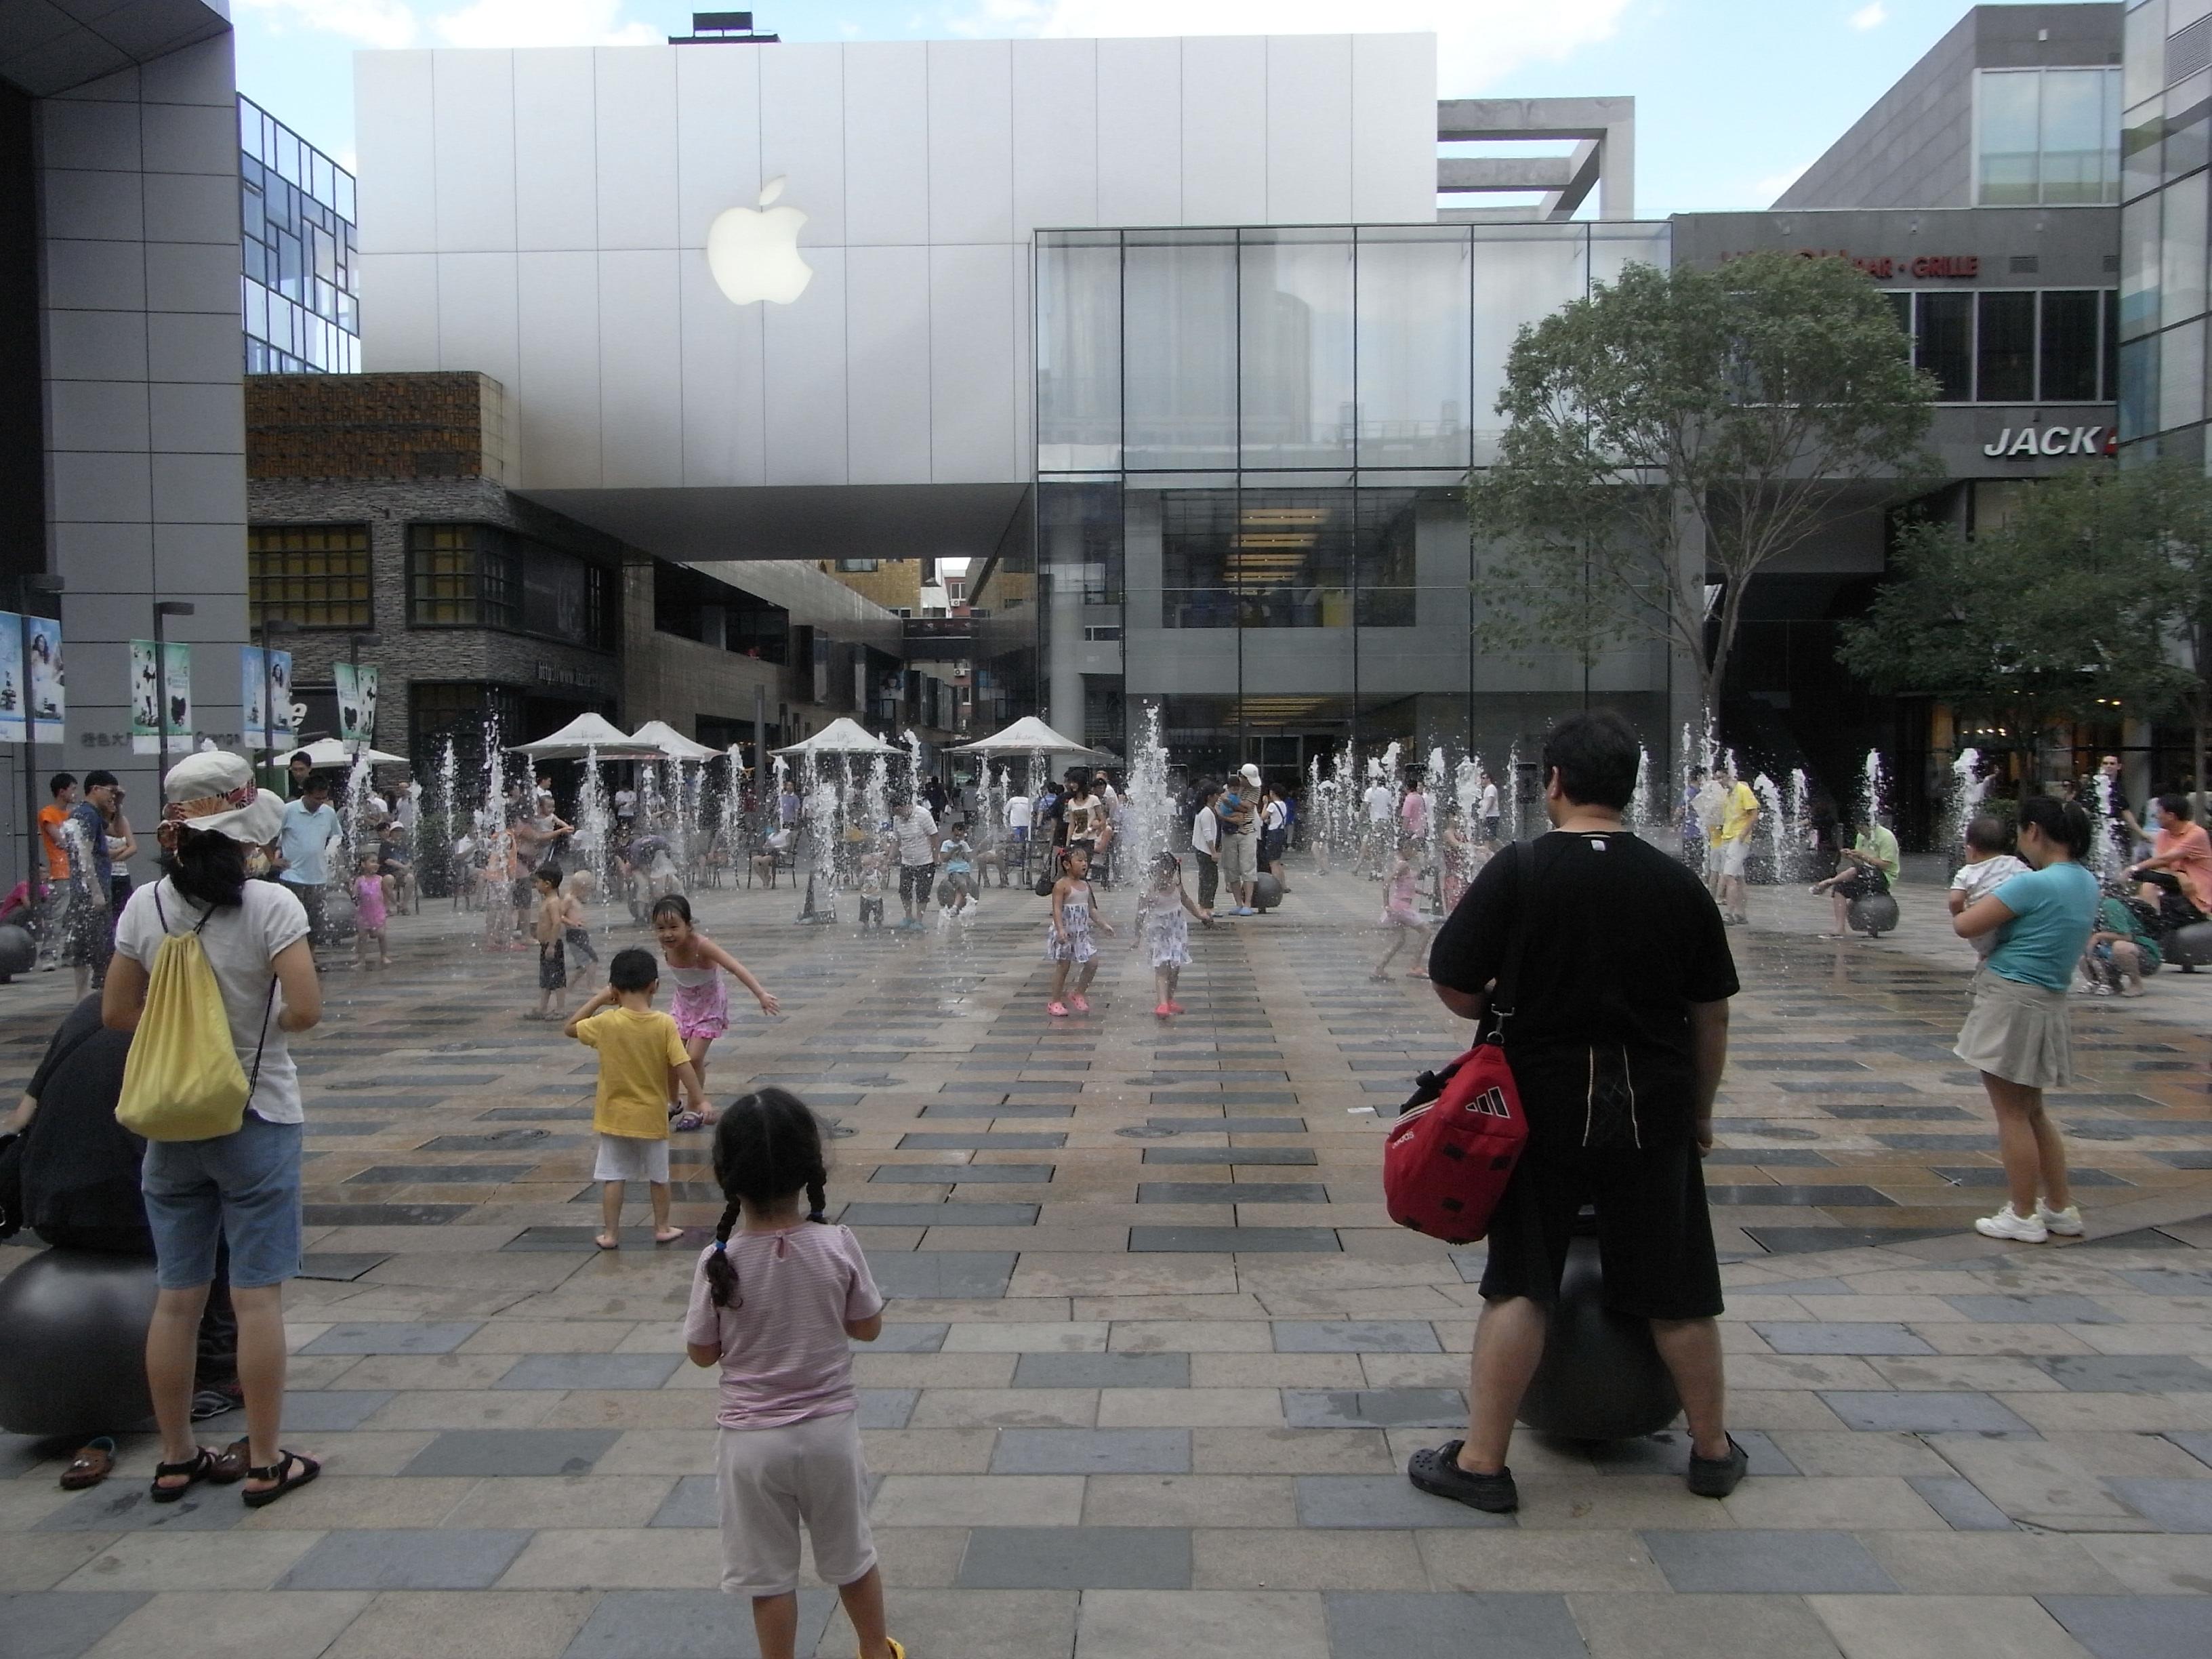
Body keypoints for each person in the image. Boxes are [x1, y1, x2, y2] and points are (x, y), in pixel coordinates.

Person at [1411, 709, 1745, 1513]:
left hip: (1539, 1104)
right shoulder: (1675, 881)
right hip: (1651, 1106)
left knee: (1521, 1279)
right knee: (1676, 1284)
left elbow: (1455, 983)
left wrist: (1510, 999)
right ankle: (1710, 1449)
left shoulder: (1520, 870)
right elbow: (1712, 1014)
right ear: (1631, 788)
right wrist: (1699, 1112)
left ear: (1553, 784)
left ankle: (1483, 1463)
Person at [104, 751, 323, 1508]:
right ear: (241, 829)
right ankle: (265, 1461)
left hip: (171, 1122)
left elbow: (117, 1015)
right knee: (257, 1299)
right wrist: (258, 1027)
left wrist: (185, 1040)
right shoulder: (270, 907)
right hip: (257, 1113)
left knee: (177, 1300)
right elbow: (305, 1007)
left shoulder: (143, 909)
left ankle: (174, 1457)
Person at [684, 1090, 902, 1659]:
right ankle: (876, 1650)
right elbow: (868, 1327)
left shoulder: (719, 1261)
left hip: (752, 1444)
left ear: (725, 1173)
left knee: (770, 1577)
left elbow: (703, 1352)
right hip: (830, 1434)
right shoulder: (837, 1244)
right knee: (852, 1555)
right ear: (812, 1166)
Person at [1, 995, 241, 1431]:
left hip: (51, 1208)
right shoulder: (194, 1010)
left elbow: (21, 1117)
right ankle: (220, 1370)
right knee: (226, 1203)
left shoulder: (90, 1010)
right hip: (131, 1212)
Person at [1951, 796, 2100, 1243]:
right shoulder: (2084, 880)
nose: (2018, 842)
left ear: (2035, 831)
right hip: (2048, 996)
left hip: (2012, 998)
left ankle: (2022, 1213)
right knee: (2033, 1111)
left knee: (2011, 1114)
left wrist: (1967, 896)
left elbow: (1966, 925)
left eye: (2021, 832)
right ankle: (2059, 1206)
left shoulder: (2035, 884)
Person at [565, 947, 707, 1249]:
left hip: (613, 1117)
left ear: (614, 989)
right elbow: (683, 1066)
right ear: (654, 985)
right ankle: (663, 1227)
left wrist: (600, 999)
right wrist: (700, 1100)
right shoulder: (664, 1024)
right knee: (659, 1178)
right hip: (651, 1116)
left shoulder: (605, 1023)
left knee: (614, 1177)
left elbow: (570, 1028)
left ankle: (611, 1234)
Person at [652, 893, 780, 1130]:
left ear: (688, 926)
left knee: (693, 1058)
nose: (667, 934)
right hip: (682, 1005)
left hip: (709, 1006)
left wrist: (760, 994)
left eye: (673, 927)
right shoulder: (666, 947)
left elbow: (735, 967)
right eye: (660, 928)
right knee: (670, 1055)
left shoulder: (702, 946)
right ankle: (673, 1101)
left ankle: (694, 1108)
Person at [60, 772, 117, 996]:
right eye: (110, 790)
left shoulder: (91, 814)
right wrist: (96, 892)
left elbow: (113, 828)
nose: (113, 795)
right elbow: (84, 855)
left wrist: (116, 801)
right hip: (91, 892)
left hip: (87, 890)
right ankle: (90, 996)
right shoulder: (87, 815)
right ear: (96, 789)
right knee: (96, 945)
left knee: (88, 944)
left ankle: (85, 996)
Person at [1135, 851, 1207, 1017]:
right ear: (1153, 873)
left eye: (1168, 872)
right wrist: (1137, 937)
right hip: (1159, 934)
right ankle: (1162, 1003)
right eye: (1159, 872)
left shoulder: (1177, 886)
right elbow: (1140, 915)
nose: (1164, 877)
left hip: (1176, 932)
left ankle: (1170, 998)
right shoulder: (1149, 893)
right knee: (1162, 967)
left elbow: (1187, 901)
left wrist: (1199, 915)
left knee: (1175, 968)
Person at [1947, 815, 2028, 961]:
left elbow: (1955, 900)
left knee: (1987, 953)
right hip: (2012, 924)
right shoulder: (2016, 865)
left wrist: (1959, 914)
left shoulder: (1968, 872)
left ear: (1971, 850)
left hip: (1981, 928)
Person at [1045, 844, 1112, 1017]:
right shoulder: (1061, 885)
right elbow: (1057, 910)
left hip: (1082, 934)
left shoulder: (1085, 886)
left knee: (1092, 963)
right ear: (1067, 865)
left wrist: (1103, 925)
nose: (1085, 864)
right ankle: (1055, 1001)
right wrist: (1060, 930)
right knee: (1063, 967)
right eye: (1080, 860)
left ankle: (1079, 993)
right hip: (1066, 933)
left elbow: (1092, 910)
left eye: (1086, 860)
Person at [2127, 794, 2212, 928]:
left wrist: (2133, 868)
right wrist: (2180, 875)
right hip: (2175, 887)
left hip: (2197, 896)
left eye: (2159, 812)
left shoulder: (2197, 834)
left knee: (2144, 883)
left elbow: (2164, 859)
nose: (2156, 816)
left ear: (2171, 816)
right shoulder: (2163, 834)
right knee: (2146, 888)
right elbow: (2161, 866)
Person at [276, 775, 340, 952]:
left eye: (324, 798)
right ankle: (295, 954)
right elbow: (270, 835)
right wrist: (273, 859)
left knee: (315, 920)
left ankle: (311, 956)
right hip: (292, 874)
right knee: (294, 920)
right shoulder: (288, 810)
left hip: (318, 875)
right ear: (306, 794)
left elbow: (336, 835)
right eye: (317, 798)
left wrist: (331, 852)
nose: (320, 802)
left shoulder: (328, 813)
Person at [1811, 813, 1900, 939]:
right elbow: (1860, 865)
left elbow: (1885, 865)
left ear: (1871, 826)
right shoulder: (1861, 837)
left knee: (1854, 872)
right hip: (1865, 873)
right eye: (1858, 829)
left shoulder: (1886, 837)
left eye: (1862, 829)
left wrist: (1863, 856)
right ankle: (1840, 928)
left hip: (1885, 877)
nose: (1860, 832)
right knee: (1840, 888)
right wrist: (1852, 857)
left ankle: (1828, 882)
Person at [2084, 884, 2160, 997]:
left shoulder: (2110, 904)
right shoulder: (2088, 908)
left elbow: (2126, 937)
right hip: (2112, 954)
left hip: (2144, 955)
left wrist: (2097, 936)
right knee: (2082, 957)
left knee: (2120, 947)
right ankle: (2111, 984)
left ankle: (2136, 984)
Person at [1372, 838, 1433, 981]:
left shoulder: (1402, 864)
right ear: (1405, 848)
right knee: (1426, 932)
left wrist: (1424, 893)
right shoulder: (1403, 864)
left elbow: (1406, 886)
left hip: (1398, 907)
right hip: (1401, 908)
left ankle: (1379, 968)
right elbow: (1387, 883)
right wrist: (1386, 904)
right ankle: (1415, 966)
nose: (1414, 852)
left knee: (1400, 940)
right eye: (1412, 849)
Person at [1707, 764, 1759, 925]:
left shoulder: (1742, 791)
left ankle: (1729, 914)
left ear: (1730, 776)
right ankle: (1741, 914)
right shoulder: (1726, 796)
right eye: (1717, 779)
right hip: (1727, 838)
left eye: (1721, 778)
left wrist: (1742, 835)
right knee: (1739, 877)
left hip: (1738, 839)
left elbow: (1754, 812)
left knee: (1728, 876)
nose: (1719, 782)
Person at [37, 773, 77, 969]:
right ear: (62, 792)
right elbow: (60, 840)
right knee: (58, 914)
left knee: (74, 915)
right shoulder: (48, 813)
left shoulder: (72, 814)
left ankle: (68, 953)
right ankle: (48, 954)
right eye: (72, 789)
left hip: (75, 870)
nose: (74, 794)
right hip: (60, 871)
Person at [1216, 764, 1261, 916]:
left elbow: (1247, 808)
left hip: (1247, 830)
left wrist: (1228, 802)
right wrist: (1228, 814)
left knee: (1248, 867)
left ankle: (1248, 903)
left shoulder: (1255, 789)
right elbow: (1217, 805)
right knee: (1231, 868)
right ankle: (1238, 903)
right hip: (1229, 831)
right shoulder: (1228, 788)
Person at [888, 797, 937, 931]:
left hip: (925, 860)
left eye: (901, 811)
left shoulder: (923, 815)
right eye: (897, 813)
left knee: (922, 891)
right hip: (907, 860)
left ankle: (919, 920)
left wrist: (936, 858)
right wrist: (890, 858)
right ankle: (908, 916)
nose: (900, 816)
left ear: (907, 805)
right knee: (904, 890)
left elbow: (934, 835)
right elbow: (896, 840)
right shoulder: (897, 819)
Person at [528, 866, 569, 1020]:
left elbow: (557, 923)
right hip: (546, 945)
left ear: (548, 883)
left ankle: (561, 1009)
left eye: (537, 882)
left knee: (558, 979)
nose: (535, 885)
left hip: (553, 946)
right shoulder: (548, 900)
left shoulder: (552, 902)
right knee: (546, 978)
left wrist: (552, 945)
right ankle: (543, 1008)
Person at [2095, 754, 2144, 865]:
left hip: (2114, 832)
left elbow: (2125, 811)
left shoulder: (2119, 788)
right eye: (2105, 763)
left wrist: (2141, 832)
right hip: (2097, 832)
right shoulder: (2094, 785)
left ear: (2119, 766)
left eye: (2112, 763)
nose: (2109, 766)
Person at [101, 783, 139, 917]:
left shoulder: (121, 820)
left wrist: (113, 858)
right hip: (106, 875)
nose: (113, 805)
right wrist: (121, 850)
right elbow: (101, 852)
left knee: (124, 913)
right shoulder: (99, 821)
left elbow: (133, 847)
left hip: (122, 875)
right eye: (110, 801)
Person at [560, 870, 600, 991]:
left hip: (580, 934)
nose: (587, 894)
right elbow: (559, 916)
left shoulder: (575, 899)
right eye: (587, 891)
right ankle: (591, 986)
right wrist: (573, 923)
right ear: (580, 887)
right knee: (592, 959)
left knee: (583, 966)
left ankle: (569, 987)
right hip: (574, 934)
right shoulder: (569, 899)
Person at [352, 851, 391, 971]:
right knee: (362, 938)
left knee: (382, 935)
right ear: (363, 864)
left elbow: (388, 892)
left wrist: (396, 903)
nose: (376, 865)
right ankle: (361, 960)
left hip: (378, 912)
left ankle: (384, 956)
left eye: (377, 862)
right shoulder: (360, 880)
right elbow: (354, 895)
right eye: (372, 862)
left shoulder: (380, 879)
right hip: (364, 914)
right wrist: (351, 893)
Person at [1188, 779, 1222, 917]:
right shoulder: (1206, 812)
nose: (1218, 797)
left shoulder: (1207, 811)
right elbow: (1208, 833)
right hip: (1205, 850)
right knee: (1209, 879)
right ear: (1210, 797)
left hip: (1205, 850)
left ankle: (1206, 905)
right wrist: (1213, 851)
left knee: (1208, 878)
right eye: (1216, 795)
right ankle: (1206, 907)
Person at [378, 818, 417, 915]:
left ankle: (404, 906)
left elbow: (410, 859)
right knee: (389, 879)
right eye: (396, 831)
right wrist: (402, 867)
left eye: (400, 831)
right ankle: (390, 906)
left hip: (402, 872)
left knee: (410, 879)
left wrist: (407, 866)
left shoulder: (404, 845)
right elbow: (387, 860)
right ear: (391, 832)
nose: (399, 834)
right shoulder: (385, 845)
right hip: (388, 871)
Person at [1362, 771, 1397, 876]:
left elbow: (1365, 807)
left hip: (1375, 822)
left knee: (1375, 847)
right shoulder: (1387, 792)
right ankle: (1379, 870)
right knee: (1382, 847)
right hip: (1385, 821)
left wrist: (1362, 819)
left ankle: (1377, 871)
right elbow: (1390, 807)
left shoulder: (1369, 792)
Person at [1259, 781, 1290, 892]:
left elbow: (1263, 817)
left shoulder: (1272, 805)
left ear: (1272, 793)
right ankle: (1283, 885)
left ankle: (1276, 886)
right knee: (1277, 861)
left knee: (1273, 862)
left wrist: (1265, 804)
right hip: (1281, 832)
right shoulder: (1283, 804)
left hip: (1273, 834)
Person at [937, 832, 976, 918]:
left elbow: (969, 859)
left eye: (960, 836)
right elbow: (944, 859)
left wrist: (964, 853)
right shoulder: (946, 844)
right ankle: (968, 897)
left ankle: (955, 907)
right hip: (953, 870)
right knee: (962, 883)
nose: (958, 838)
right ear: (952, 833)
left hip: (965, 870)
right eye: (956, 835)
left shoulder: (964, 844)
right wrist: (953, 850)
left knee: (961, 887)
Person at [857, 851, 885, 931]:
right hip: (866, 897)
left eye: (869, 864)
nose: (867, 867)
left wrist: (882, 880)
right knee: (864, 912)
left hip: (877, 897)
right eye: (864, 865)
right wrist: (863, 874)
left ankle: (879, 923)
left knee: (879, 912)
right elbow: (860, 882)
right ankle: (866, 923)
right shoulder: (863, 874)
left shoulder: (877, 873)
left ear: (873, 864)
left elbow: (882, 882)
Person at [1479, 770, 1502, 846]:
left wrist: (1485, 812)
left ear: (1489, 779)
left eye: (1483, 778)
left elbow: (1491, 800)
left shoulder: (1490, 788)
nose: (1482, 780)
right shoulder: (1488, 788)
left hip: (1491, 816)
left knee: (1488, 837)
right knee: (1491, 837)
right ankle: (1500, 849)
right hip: (1491, 816)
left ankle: (1489, 851)